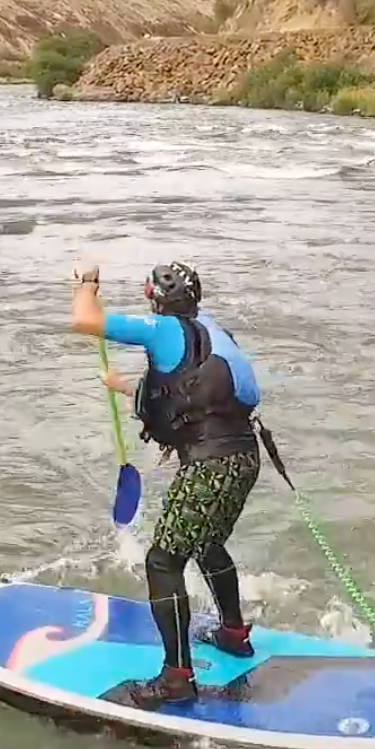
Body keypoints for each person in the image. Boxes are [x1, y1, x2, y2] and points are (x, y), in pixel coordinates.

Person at [69, 259, 264, 708]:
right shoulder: (217, 333)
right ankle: (233, 634)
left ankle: (177, 678)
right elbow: (196, 395)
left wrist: (87, 282)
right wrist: (125, 387)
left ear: (153, 298)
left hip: (209, 465)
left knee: (162, 561)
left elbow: (85, 319)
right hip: (243, 458)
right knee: (208, 542)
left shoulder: (160, 329)